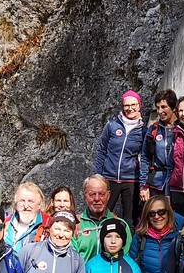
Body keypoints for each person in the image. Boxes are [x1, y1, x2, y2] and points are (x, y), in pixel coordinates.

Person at [94, 90, 145, 222]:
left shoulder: (144, 130)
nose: (130, 108)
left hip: (131, 179)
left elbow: (145, 157)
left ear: (139, 105)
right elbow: (101, 150)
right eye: (126, 105)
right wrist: (98, 176)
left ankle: (129, 242)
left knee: (130, 219)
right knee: (103, 215)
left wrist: (144, 183)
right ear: (122, 107)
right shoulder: (112, 125)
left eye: (133, 105)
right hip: (109, 177)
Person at [71, 175, 131, 262]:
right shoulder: (75, 224)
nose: (97, 198)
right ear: (84, 196)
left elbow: (125, 259)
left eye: (102, 194)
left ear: (108, 195)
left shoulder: (121, 225)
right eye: (92, 194)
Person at [139, 89, 178, 203]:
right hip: (156, 183)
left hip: (176, 184)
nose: (160, 111)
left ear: (173, 107)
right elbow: (145, 158)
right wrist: (143, 186)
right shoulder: (153, 130)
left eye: (164, 107)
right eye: (158, 107)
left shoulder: (182, 129)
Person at [4, 181, 49, 250]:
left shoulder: (48, 225)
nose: (26, 206)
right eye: (22, 201)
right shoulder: (5, 224)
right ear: (16, 204)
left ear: (39, 205)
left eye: (30, 201)